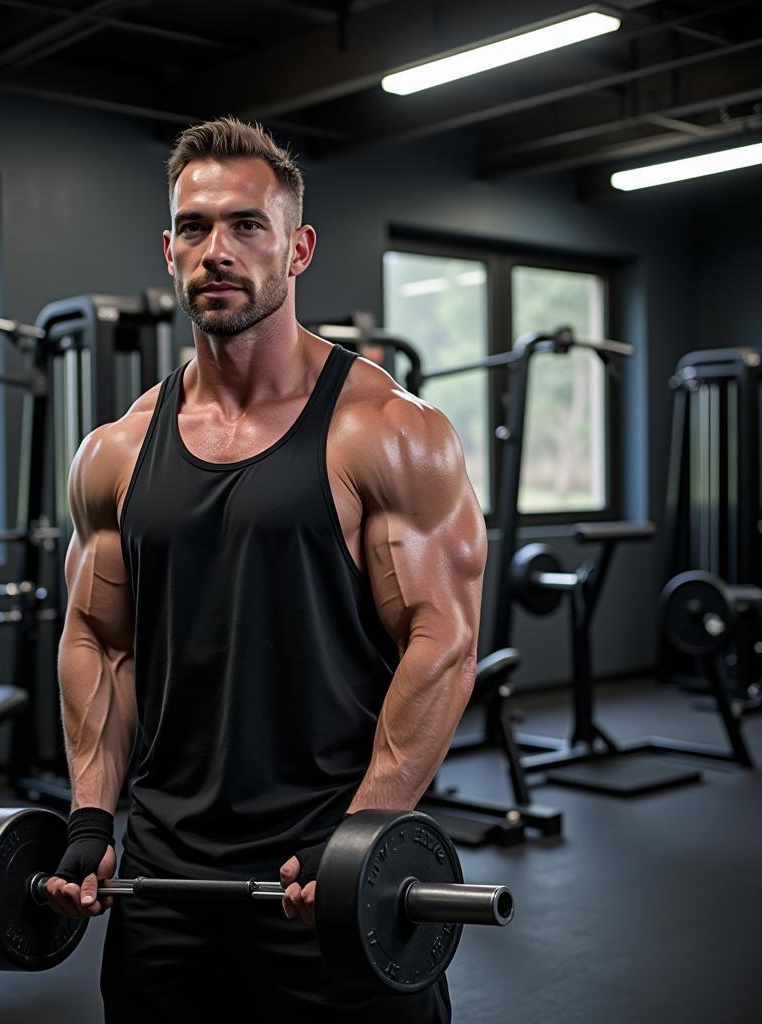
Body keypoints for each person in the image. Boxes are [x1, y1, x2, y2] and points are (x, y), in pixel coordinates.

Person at [44, 117, 486, 1023]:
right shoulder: (114, 451)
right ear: (169, 249)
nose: (219, 250)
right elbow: (97, 637)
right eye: (196, 228)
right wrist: (92, 817)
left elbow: (442, 636)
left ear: (298, 248)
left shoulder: (389, 431)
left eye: (248, 224)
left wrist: (363, 833)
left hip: (323, 872)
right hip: (164, 887)